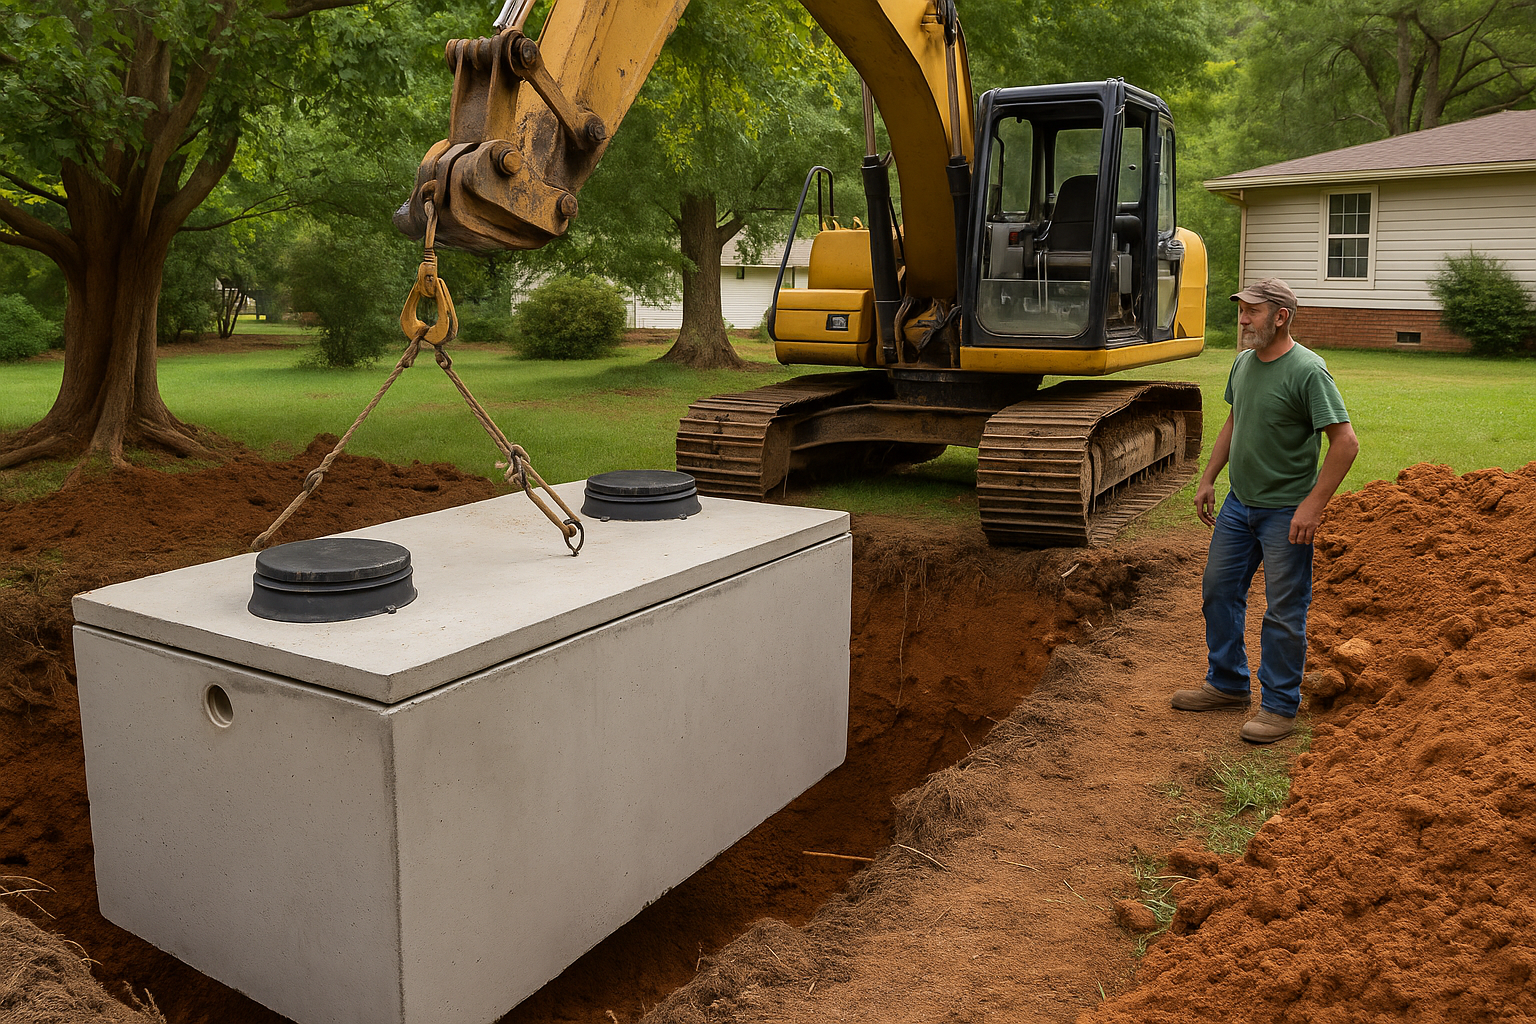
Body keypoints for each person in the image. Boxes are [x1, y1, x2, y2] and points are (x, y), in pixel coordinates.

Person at [1171, 279, 1359, 743]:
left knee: (1283, 609)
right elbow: (1235, 421)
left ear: (1281, 316)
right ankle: (1228, 683)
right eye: (1241, 310)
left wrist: (1312, 506)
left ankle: (1279, 706)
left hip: (1286, 513)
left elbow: (1345, 443)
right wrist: (1210, 477)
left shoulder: (1308, 370)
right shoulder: (1242, 364)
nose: (1242, 319)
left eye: (1252, 311)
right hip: (1239, 506)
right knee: (1218, 590)